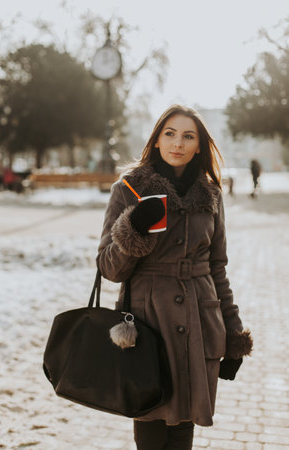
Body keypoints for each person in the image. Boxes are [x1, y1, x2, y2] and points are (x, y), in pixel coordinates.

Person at [97, 105, 253, 450]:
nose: (177, 143)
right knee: (151, 425)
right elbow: (110, 269)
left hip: (200, 320)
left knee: (184, 428)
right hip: (148, 323)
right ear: (155, 141)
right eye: (169, 133)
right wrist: (133, 228)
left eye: (188, 135)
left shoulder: (211, 194)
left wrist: (233, 335)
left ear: (199, 145)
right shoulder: (129, 189)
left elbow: (218, 268)